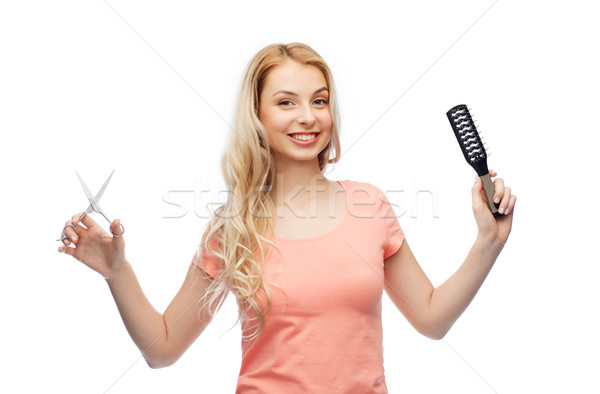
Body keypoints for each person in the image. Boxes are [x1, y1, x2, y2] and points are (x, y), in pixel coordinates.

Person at [57, 42, 516, 393]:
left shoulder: (370, 205)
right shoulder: (232, 228)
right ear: (256, 115)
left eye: (319, 101)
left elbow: (431, 320)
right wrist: (117, 272)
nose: (308, 117)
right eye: (286, 102)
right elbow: (162, 350)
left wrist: (487, 243)